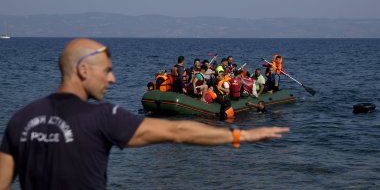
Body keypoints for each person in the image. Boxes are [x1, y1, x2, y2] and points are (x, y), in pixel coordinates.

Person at [0, 38, 290, 190]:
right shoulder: (103, 116)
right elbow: (178, 132)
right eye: (107, 70)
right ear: (82, 70)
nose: (112, 79)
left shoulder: (21, 119)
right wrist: (239, 135)